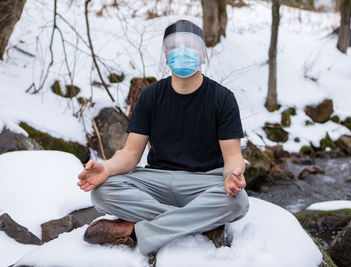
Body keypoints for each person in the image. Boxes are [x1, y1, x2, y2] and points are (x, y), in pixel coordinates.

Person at [77, 20, 249, 255]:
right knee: (102, 191)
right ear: (166, 54)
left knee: (237, 202)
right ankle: (198, 222)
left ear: (202, 53)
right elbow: (130, 154)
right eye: (175, 47)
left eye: (190, 47)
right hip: (157, 180)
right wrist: (106, 168)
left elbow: (233, 156)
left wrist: (232, 176)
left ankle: (135, 230)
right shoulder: (151, 96)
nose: (183, 53)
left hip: (203, 183)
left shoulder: (222, 98)